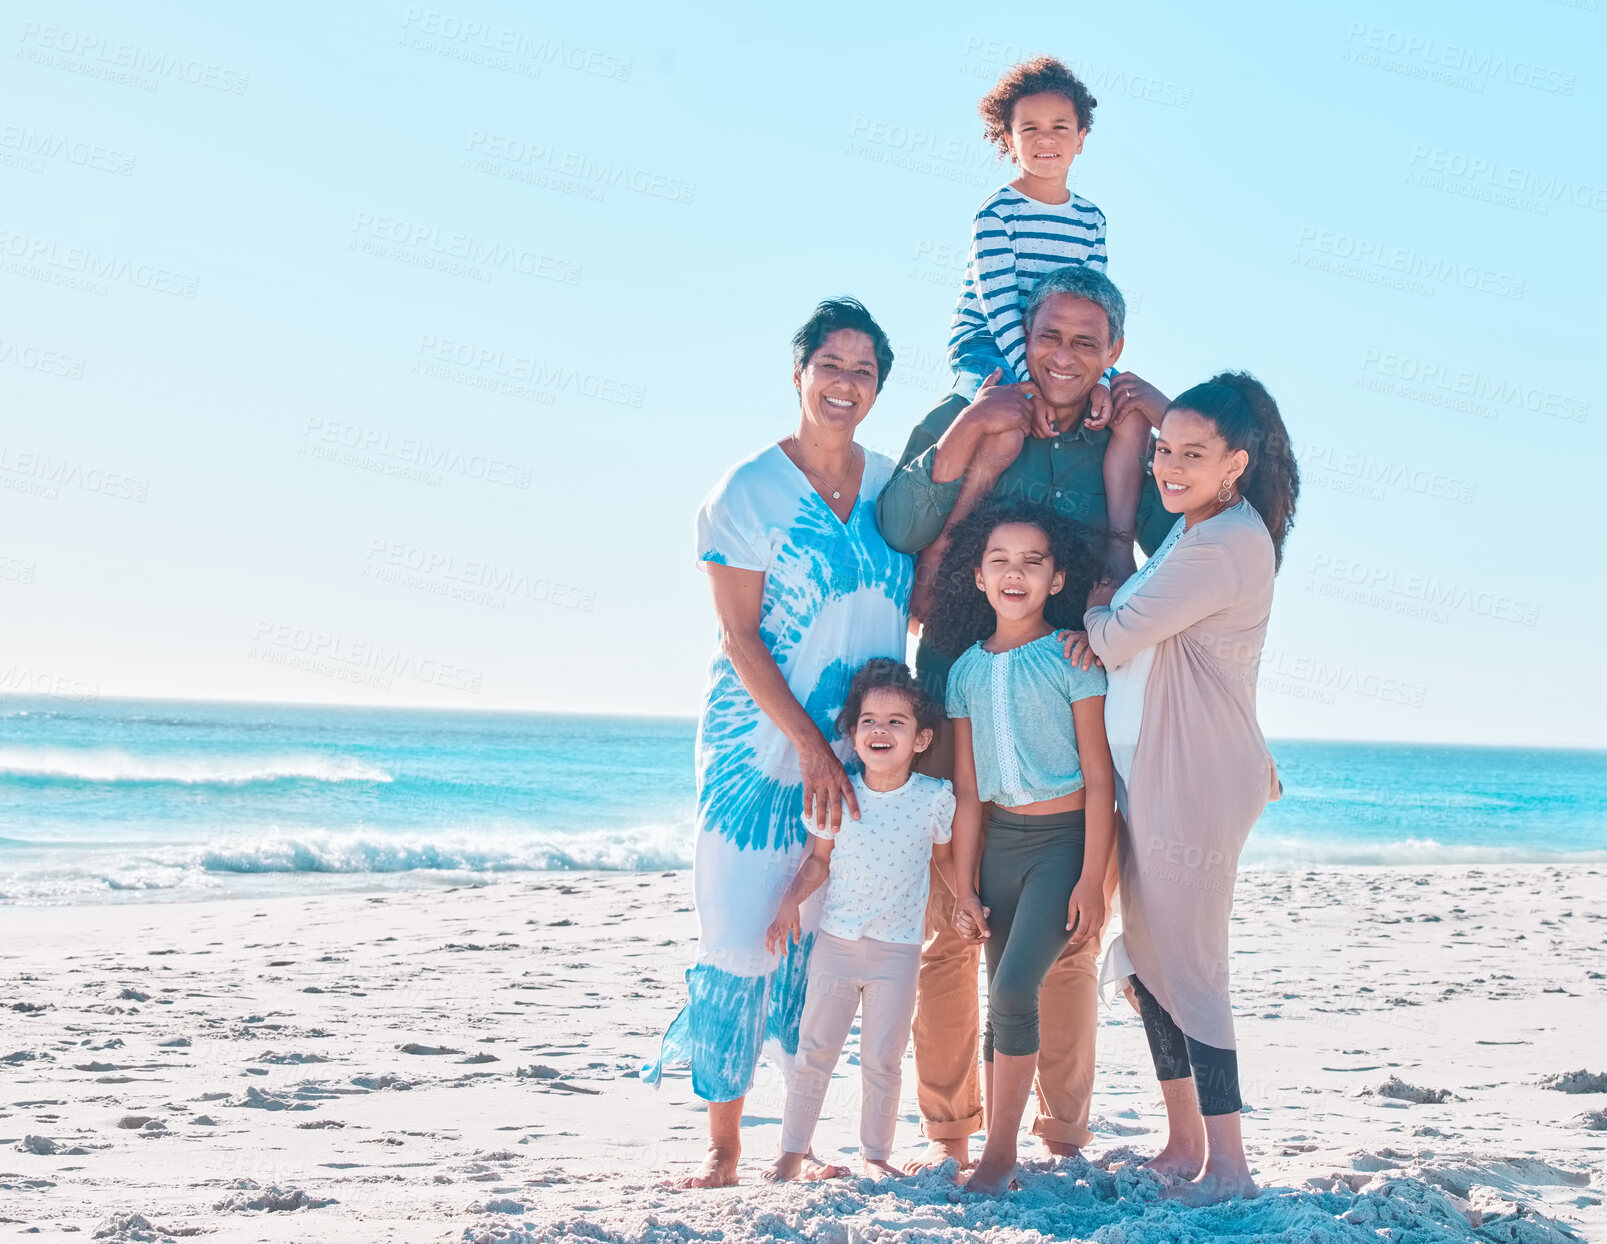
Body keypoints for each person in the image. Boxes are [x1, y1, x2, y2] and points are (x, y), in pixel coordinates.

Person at [877, 265, 1162, 1173]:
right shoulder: (973, 407)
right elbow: (897, 520)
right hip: (952, 704)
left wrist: (1159, 412)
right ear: (1023, 340)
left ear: (1112, 351)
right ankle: (950, 1128)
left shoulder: (1124, 439)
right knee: (948, 935)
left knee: (1071, 944)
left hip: (1069, 714)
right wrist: (969, 428)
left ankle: (1063, 1134)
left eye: (1087, 341)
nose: (1065, 356)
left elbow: (1194, 528)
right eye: (1050, 336)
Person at [642, 298, 915, 1189]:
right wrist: (805, 744)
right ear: (798, 373)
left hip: (860, 752)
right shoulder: (746, 491)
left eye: (864, 371)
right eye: (831, 365)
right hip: (754, 756)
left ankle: (795, 1144)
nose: (846, 384)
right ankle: (722, 1151)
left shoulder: (890, 489)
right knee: (739, 935)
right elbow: (739, 638)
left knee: (819, 945)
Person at [1080, 371, 1299, 1206]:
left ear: (1234, 463)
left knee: (1193, 966)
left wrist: (1102, 603)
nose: (1168, 467)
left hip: (1195, 781)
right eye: (1163, 449)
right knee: (1146, 960)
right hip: (1153, 774)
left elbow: (1116, 635)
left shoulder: (1223, 544)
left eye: (1190, 455)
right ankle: (1182, 1141)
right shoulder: (1194, 526)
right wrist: (1144, 405)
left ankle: (1230, 1166)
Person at [924, 500, 1116, 1194]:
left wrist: (1092, 879)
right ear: (977, 577)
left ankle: (1000, 1155)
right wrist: (962, 885)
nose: (1015, 573)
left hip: (1062, 844)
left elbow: (1100, 780)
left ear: (1056, 578)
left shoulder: (1071, 658)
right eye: (999, 560)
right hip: (997, 845)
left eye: (1032, 561)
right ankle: (990, 1149)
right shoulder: (965, 674)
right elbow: (969, 793)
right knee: (996, 994)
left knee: (1011, 990)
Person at [946, 56, 1152, 578]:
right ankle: (946, 551)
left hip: (1060, 348)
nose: (1046, 138)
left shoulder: (1090, 220)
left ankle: (1116, 549)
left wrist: (1102, 378)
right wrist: (1026, 385)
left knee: (1127, 415)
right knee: (1006, 426)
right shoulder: (997, 214)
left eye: (1061, 127)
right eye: (1029, 127)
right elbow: (996, 308)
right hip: (989, 343)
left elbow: (1097, 307)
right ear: (1008, 139)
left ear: (1081, 137)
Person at [763, 660, 958, 1182]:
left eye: (897, 721)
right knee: (815, 1053)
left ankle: (875, 1156)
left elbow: (945, 861)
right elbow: (818, 861)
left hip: (898, 953)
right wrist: (787, 903)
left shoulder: (934, 799)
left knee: (883, 1061)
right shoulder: (838, 794)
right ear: (852, 733)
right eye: (869, 720)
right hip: (836, 946)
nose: (880, 729)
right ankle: (791, 1152)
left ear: (921, 739)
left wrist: (967, 901)